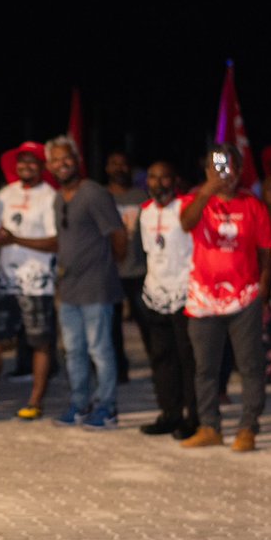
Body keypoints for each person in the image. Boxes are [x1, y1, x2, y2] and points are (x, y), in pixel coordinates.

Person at [179, 143, 271, 452]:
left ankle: (248, 427)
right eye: (218, 168)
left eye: (231, 168)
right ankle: (209, 427)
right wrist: (208, 190)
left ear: (240, 170)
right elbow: (186, 223)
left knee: (250, 365)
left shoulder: (252, 205)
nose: (225, 174)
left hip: (243, 298)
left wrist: (261, 291)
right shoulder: (196, 200)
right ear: (207, 171)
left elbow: (265, 255)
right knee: (205, 367)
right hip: (203, 299)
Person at [45, 136, 125, 429]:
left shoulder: (94, 193)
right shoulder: (58, 197)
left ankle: (107, 407)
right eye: (55, 160)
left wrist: (107, 268)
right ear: (49, 166)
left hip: (96, 286)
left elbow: (118, 235)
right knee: (73, 351)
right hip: (69, 289)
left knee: (100, 351)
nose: (62, 164)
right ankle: (79, 405)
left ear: (77, 160)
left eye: (67, 158)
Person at [0, 142, 57, 419]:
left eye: (32, 161)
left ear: (42, 166)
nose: (26, 166)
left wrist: (14, 239)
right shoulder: (5, 194)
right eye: (22, 161)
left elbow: (55, 242)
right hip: (4, 281)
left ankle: (35, 402)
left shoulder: (49, 196)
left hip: (37, 283)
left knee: (40, 342)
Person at [139, 161, 198, 437]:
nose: (158, 183)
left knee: (188, 359)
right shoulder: (145, 212)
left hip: (183, 293)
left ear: (174, 181)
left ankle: (193, 416)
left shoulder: (185, 207)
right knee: (161, 357)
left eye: (164, 178)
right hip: (155, 293)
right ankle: (169, 412)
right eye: (153, 177)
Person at [107, 151, 150, 384]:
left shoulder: (142, 196)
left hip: (140, 270)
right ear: (107, 168)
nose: (119, 168)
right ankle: (118, 370)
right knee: (112, 327)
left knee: (147, 322)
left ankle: (157, 365)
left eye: (124, 164)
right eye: (114, 163)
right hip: (110, 272)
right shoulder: (102, 196)